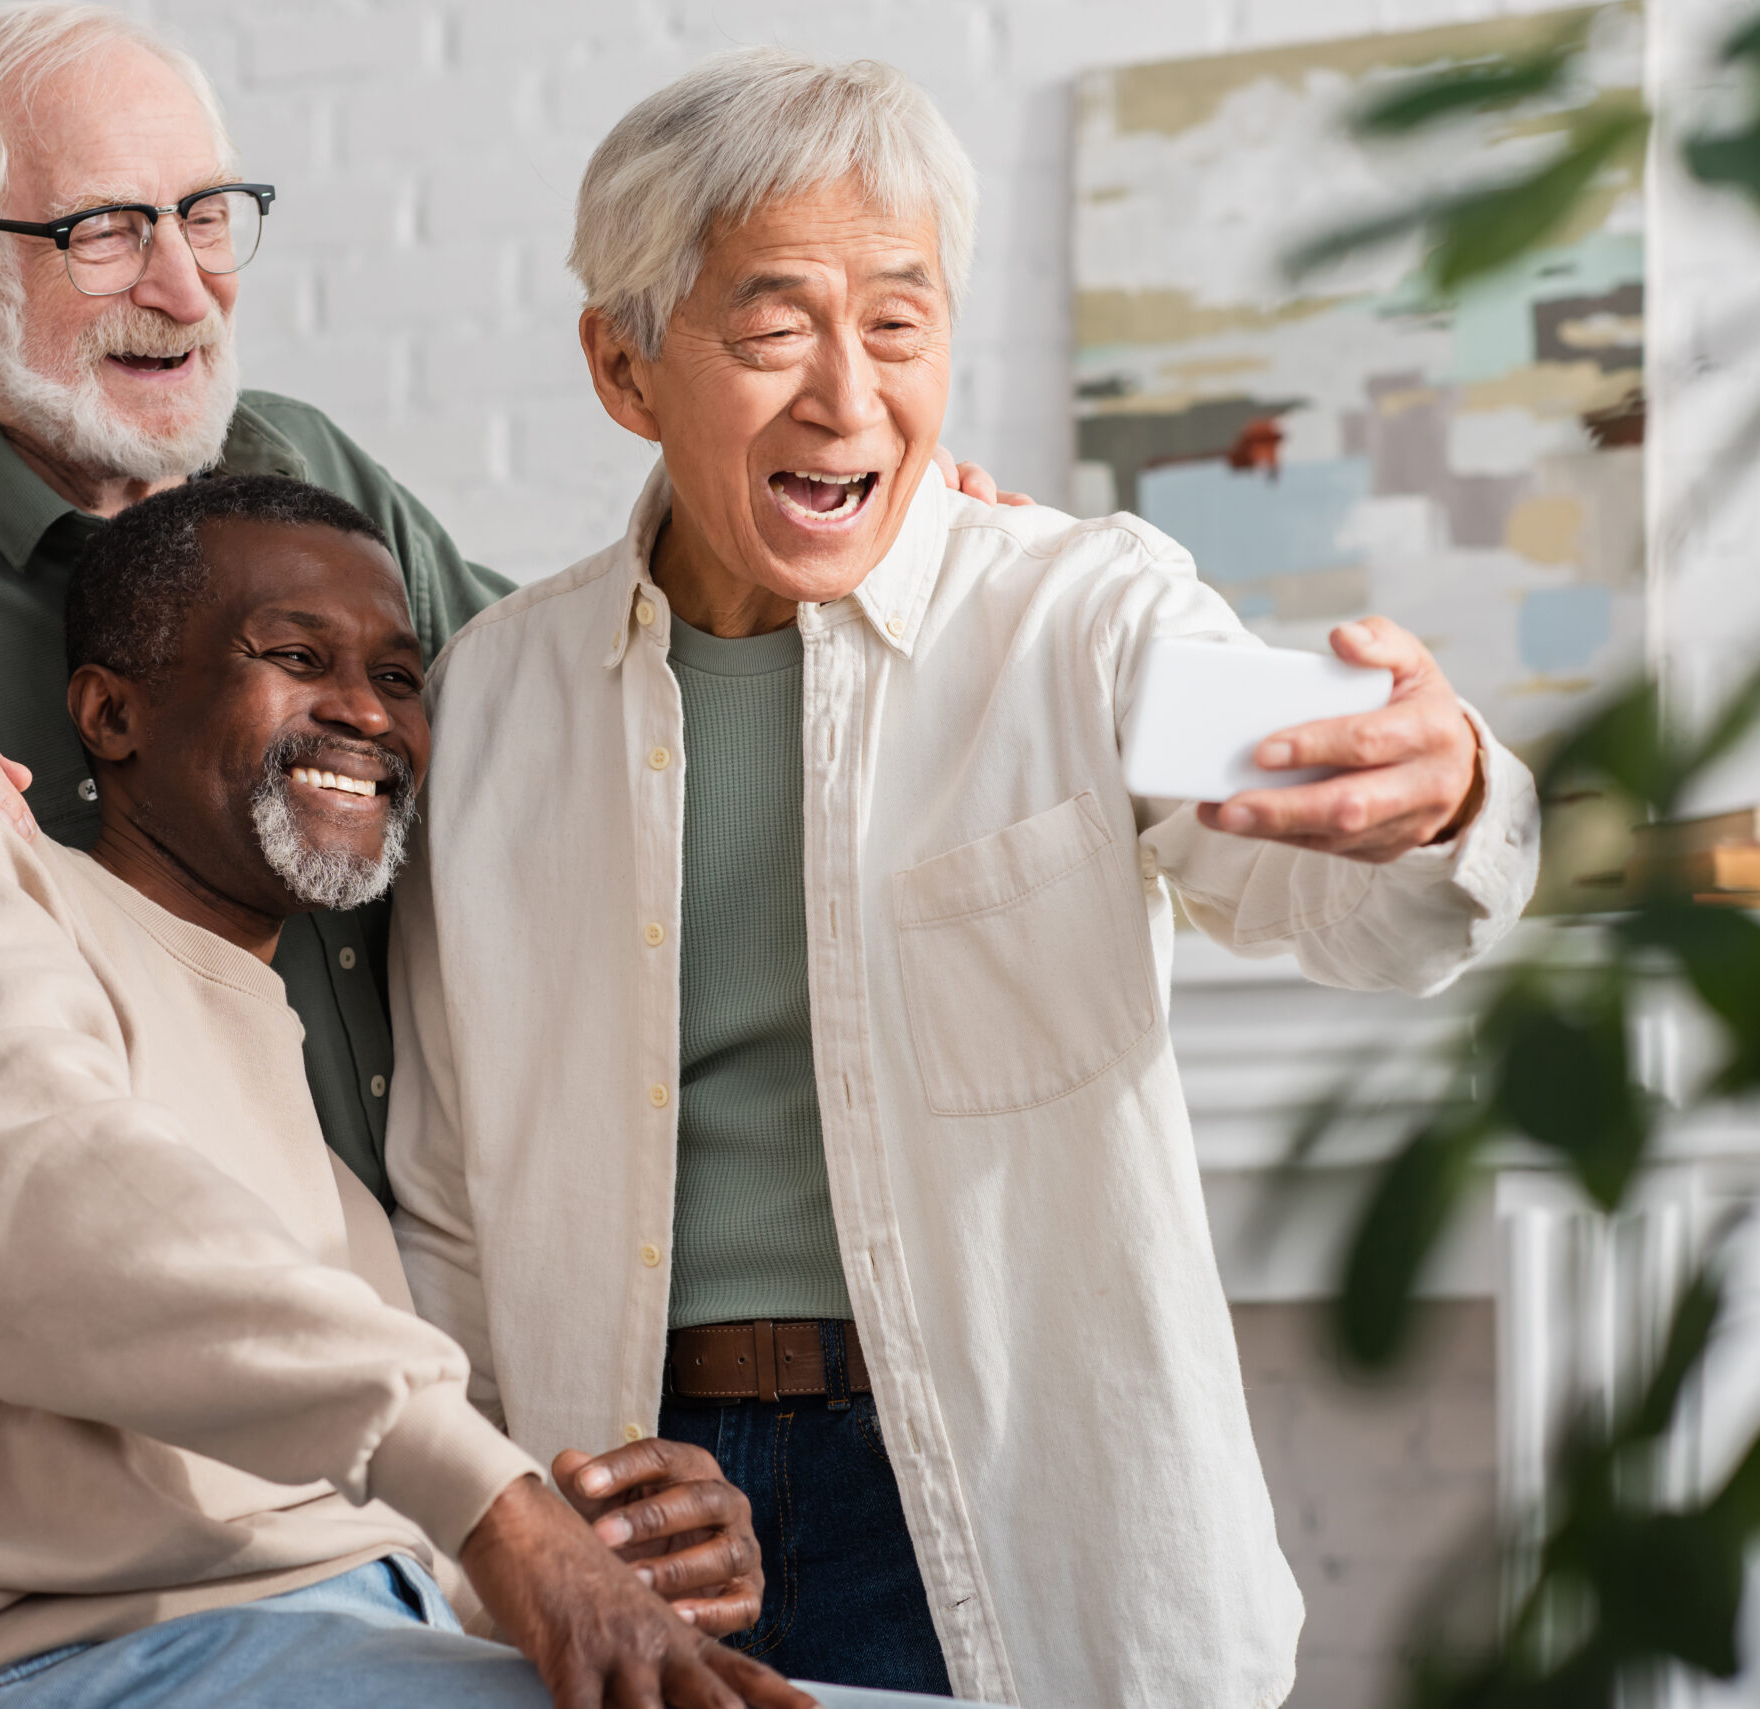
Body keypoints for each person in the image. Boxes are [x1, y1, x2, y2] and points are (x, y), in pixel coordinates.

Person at [387, 49, 1542, 1709]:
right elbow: (447, 1192)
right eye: (776, 327)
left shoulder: (1084, 621)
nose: (847, 395)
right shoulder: (497, 693)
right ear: (625, 367)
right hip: (637, 1500)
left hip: (996, 1488)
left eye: (901, 324)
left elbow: (1356, 876)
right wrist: (497, 1526)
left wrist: (1438, 795)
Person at [0, 2, 1021, 1207]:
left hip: (424, 1311)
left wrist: (854, 525)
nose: (185, 287)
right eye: (105, 231)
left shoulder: (299, 463)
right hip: (98, 1415)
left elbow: (565, 698)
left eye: (209, 218)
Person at [0, 473, 960, 1709]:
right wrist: (500, 1509)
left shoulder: (331, 1172)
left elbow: (360, 1538)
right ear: (111, 713)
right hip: (35, 1669)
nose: (367, 715)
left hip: (355, 1645)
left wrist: (611, 1561)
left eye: (398, 676)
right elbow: (61, 1232)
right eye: (295, 654)